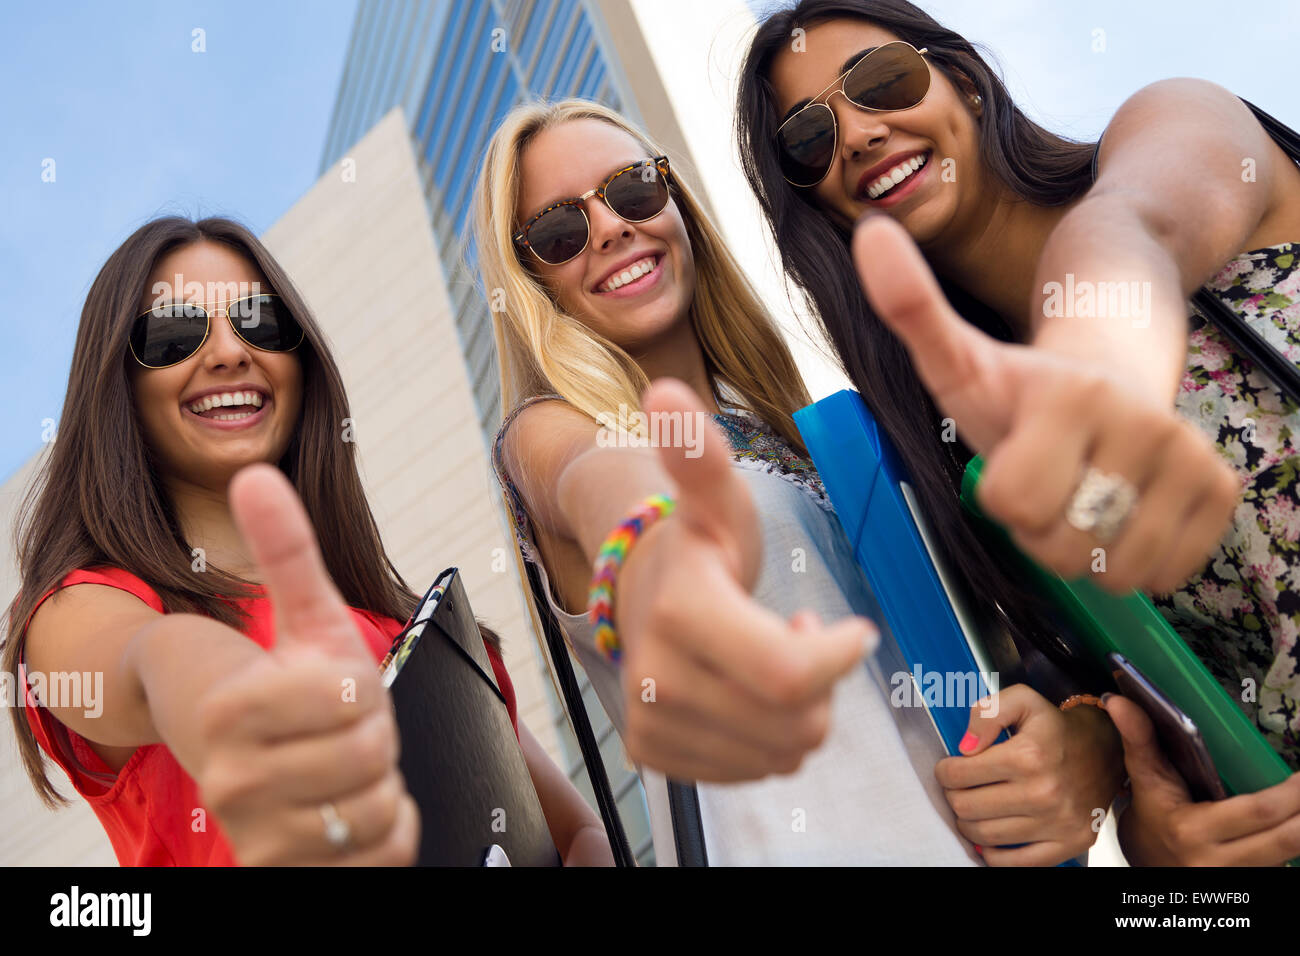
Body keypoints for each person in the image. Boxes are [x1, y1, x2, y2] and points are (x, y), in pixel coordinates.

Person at [471, 97, 1124, 865]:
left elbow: (1008, 656)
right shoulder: (549, 431)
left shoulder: (824, 436)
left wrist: (1086, 739)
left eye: (632, 190)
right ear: (532, 283)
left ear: (676, 203)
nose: (612, 227)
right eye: (558, 231)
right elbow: (592, 480)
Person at [738, 0, 1300, 864]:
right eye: (809, 140)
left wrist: (1095, 356)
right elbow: (1162, 731)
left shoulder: (1171, 125)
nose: (855, 134)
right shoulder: (970, 467)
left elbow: (1136, 223)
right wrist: (1158, 836)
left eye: (883, 81)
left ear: (961, 78)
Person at [4, 216, 612, 866]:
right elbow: (149, 662)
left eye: (260, 322)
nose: (229, 352)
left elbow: (576, 834)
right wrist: (230, 695)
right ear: (119, 386)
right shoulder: (78, 611)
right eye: (174, 334)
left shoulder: (424, 631)